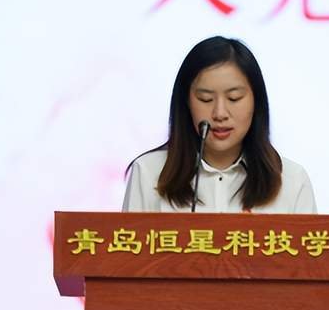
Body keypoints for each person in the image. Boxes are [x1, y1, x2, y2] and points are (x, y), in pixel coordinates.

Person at [122, 36, 317, 214]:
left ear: (256, 101)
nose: (220, 114)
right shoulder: (148, 173)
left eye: (234, 98)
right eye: (205, 99)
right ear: (186, 102)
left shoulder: (292, 181)